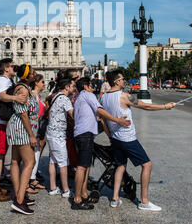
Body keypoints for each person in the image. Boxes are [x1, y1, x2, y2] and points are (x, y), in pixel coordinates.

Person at [101, 69, 176, 211]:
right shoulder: (124, 96)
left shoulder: (104, 97)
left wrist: (109, 135)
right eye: (122, 79)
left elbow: (103, 119)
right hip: (127, 138)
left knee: (120, 165)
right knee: (147, 165)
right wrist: (165, 106)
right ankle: (144, 201)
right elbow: (145, 105)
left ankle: (115, 198)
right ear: (117, 81)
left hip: (116, 138)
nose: (124, 81)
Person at [72, 77, 131, 210]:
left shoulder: (79, 98)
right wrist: (117, 120)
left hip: (82, 134)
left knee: (86, 166)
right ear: (86, 87)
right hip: (85, 135)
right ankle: (77, 199)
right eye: (91, 85)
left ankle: (84, 194)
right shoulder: (88, 95)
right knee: (82, 167)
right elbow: (99, 111)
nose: (93, 87)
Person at [0, 58, 28, 202]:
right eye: (12, 66)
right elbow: (3, 96)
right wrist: (16, 98)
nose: (14, 68)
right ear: (6, 68)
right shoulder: (4, 80)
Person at [7, 64, 38, 215]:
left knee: (15, 161)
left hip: (17, 128)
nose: (35, 74)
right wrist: (31, 134)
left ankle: (20, 195)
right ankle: (19, 201)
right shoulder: (23, 90)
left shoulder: (22, 87)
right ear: (27, 76)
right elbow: (24, 114)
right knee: (30, 162)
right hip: (22, 130)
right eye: (32, 73)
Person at [46, 78, 76, 197]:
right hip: (58, 135)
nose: (74, 88)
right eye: (73, 86)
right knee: (63, 163)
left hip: (51, 133)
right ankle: (66, 190)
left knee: (52, 161)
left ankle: (53, 187)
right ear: (67, 87)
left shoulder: (56, 96)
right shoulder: (64, 98)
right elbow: (73, 115)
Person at [29, 74, 47, 190]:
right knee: (32, 155)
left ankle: (33, 178)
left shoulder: (37, 95)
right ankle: (30, 179)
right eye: (42, 82)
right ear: (36, 83)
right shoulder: (33, 95)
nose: (44, 84)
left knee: (36, 154)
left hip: (38, 129)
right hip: (34, 130)